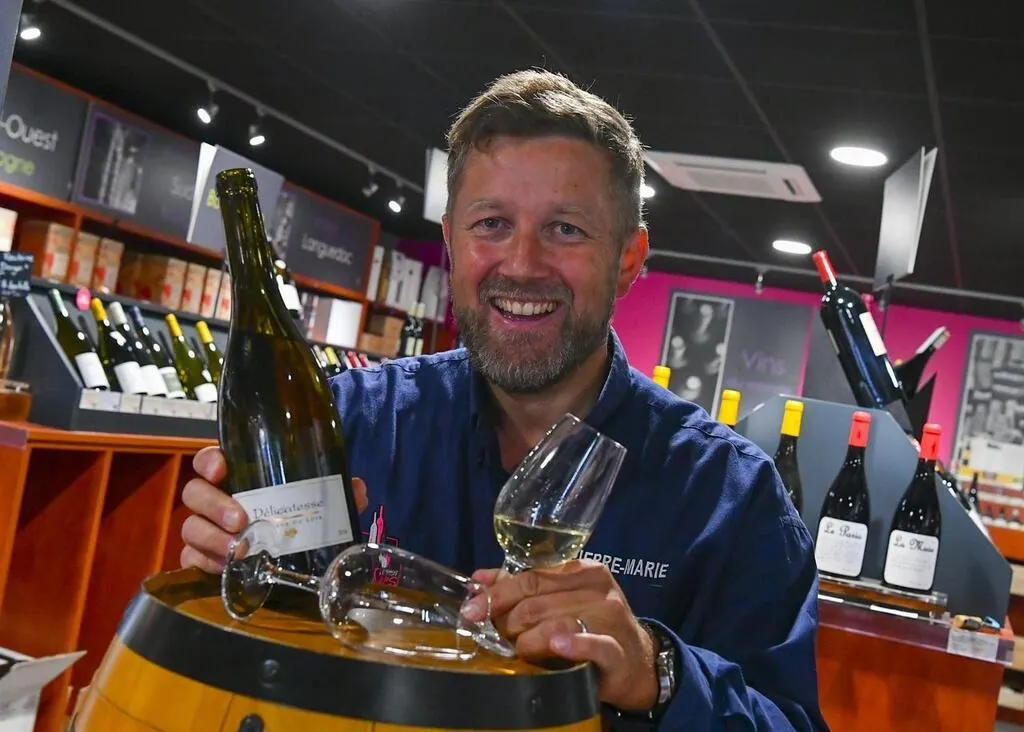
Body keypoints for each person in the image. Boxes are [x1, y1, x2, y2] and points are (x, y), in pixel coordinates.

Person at [180, 69, 829, 731]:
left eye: (566, 229)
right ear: (451, 240)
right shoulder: (351, 421)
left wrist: (657, 673)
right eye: (491, 223)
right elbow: (257, 651)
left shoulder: (731, 495)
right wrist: (225, 565)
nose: (521, 264)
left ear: (629, 260)